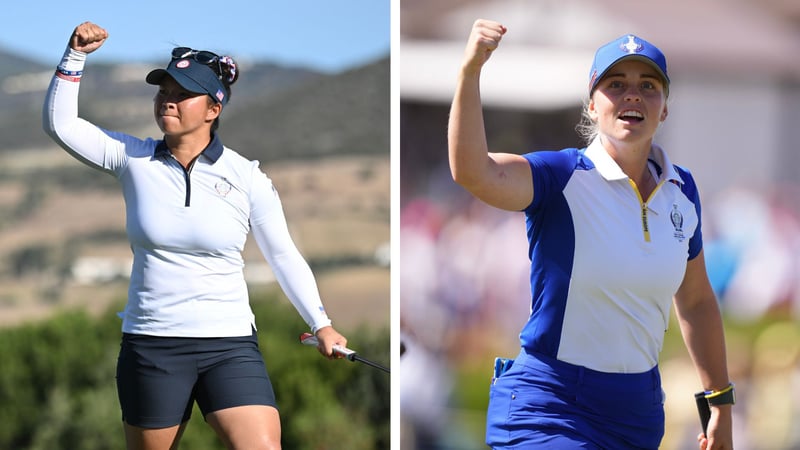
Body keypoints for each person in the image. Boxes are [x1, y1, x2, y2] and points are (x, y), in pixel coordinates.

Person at [43, 22, 348, 450]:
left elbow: (283, 255)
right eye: (164, 90)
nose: (168, 99)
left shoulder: (247, 177)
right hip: (152, 347)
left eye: (182, 94)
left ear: (213, 110)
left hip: (230, 346)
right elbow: (62, 126)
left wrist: (322, 324)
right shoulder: (133, 158)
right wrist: (75, 56)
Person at [448, 19, 734, 450]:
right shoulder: (561, 175)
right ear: (592, 105)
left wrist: (720, 404)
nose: (632, 94)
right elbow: (473, 171)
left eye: (648, 86)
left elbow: (695, 301)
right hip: (550, 403)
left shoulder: (683, 191)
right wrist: (470, 72)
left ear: (665, 107)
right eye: (616, 84)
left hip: (636, 414)